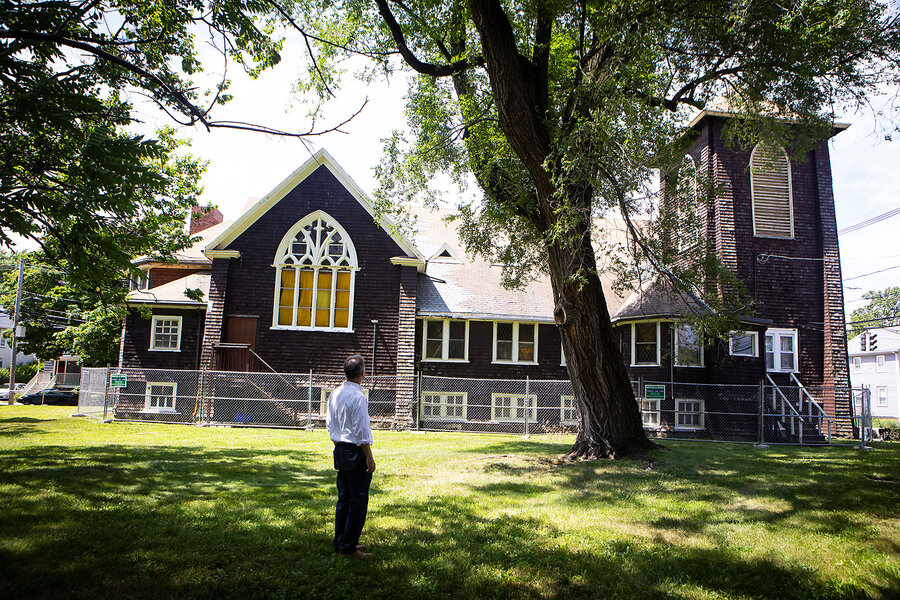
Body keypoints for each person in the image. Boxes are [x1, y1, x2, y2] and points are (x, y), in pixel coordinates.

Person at [326, 354, 375, 558]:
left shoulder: (334, 394)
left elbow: (329, 423)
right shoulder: (359, 398)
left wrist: (340, 444)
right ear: (362, 373)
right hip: (355, 451)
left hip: (340, 449)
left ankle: (342, 542)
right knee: (357, 501)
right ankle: (349, 547)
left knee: (344, 499)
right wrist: (369, 458)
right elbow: (362, 432)